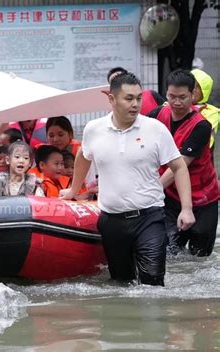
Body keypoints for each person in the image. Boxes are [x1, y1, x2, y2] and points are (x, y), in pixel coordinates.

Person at [61, 72, 195, 286]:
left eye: (139, 98)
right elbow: (83, 157)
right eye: (129, 98)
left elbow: (178, 166)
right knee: (121, 283)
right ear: (112, 99)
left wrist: (186, 208)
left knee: (152, 283)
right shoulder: (94, 129)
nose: (135, 104)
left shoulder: (155, 129)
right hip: (111, 220)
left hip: (149, 217)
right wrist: (72, 190)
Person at [149, 69, 219, 257]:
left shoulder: (202, 126)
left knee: (199, 259)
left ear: (193, 94)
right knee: (169, 252)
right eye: (171, 96)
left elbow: (178, 166)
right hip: (171, 196)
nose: (176, 103)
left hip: (203, 199)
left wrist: (149, 190)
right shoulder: (157, 115)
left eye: (182, 97)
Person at [191, 68, 219, 151]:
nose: (193, 90)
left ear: (204, 92)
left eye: (198, 87)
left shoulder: (211, 112)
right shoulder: (171, 105)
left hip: (201, 156)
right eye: (191, 85)